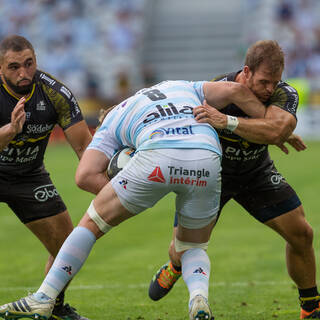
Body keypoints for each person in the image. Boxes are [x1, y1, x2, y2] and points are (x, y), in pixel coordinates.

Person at [0, 78, 267, 320]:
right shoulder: (180, 86)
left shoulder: (112, 121)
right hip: (206, 156)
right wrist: (271, 125)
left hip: (156, 156)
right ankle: (199, 299)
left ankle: (44, 298)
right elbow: (235, 89)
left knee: (91, 224)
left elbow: (84, 176)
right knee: (192, 246)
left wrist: (129, 193)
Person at [148, 40, 318, 319]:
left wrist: (227, 122)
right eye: (264, 81)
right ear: (247, 71)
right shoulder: (217, 89)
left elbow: (276, 130)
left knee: (302, 233)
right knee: (183, 249)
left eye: (274, 82)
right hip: (213, 175)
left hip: (256, 172)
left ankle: (311, 307)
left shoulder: (284, 94)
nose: (269, 89)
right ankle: (175, 266)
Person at [0, 35, 92, 320]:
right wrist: (10, 132)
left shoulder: (55, 93)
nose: (24, 73)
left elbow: (85, 148)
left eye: (29, 64)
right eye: (14, 67)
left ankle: (52, 306)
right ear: (0, 68)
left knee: (67, 245)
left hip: (29, 176)